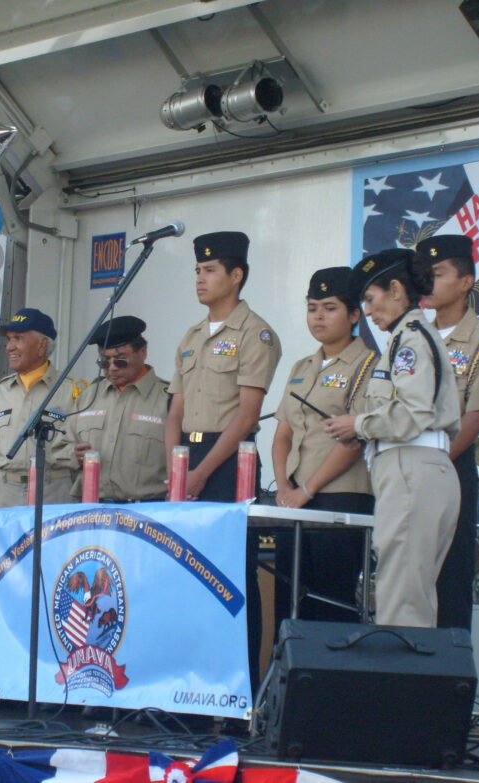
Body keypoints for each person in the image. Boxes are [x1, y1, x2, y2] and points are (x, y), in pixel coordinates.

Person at [164, 230, 282, 687]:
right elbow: (174, 411)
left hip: (230, 463)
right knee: (187, 579)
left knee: (231, 579)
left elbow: (247, 414)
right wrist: (178, 470)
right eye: (197, 269)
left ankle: (238, 690)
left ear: (236, 276)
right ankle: (190, 690)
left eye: (210, 270)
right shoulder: (191, 336)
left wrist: (200, 473)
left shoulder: (256, 333)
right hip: (188, 460)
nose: (200, 278)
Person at [325, 248, 460, 628]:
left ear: (397, 290)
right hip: (414, 468)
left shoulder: (410, 341)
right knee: (409, 598)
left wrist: (358, 425)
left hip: (409, 468)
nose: (368, 311)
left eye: (371, 299)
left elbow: (413, 414)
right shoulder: (408, 338)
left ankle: (403, 670)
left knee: (401, 605)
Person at [271, 267, 378, 628]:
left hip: (340, 497)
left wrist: (306, 490)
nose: (318, 316)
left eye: (330, 308)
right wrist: (283, 487)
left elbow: (354, 441)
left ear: (354, 315)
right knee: (289, 604)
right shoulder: (302, 366)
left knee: (333, 606)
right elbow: (283, 434)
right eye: (312, 308)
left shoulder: (369, 365)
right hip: (293, 501)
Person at [417, 234, 479, 630]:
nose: (428, 283)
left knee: (449, 586)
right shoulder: (414, 337)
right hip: (408, 471)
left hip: (449, 469)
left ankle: (449, 669)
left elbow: (477, 415)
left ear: (466, 282)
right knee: (408, 583)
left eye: (437, 274)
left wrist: (434, 463)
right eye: (424, 275)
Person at [0, 308, 81, 509]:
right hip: (4, 492)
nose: (9, 347)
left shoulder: (73, 390)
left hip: (54, 490)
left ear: (42, 345)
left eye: (18, 338)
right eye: (9, 339)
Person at [67, 316, 169, 502]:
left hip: (147, 509)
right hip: (91, 508)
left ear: (143, 352)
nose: (112, 368)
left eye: (120, 360)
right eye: (104, 362)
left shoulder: (168, 399)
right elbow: (60, 446)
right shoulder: (88, 397)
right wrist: (74, 455)